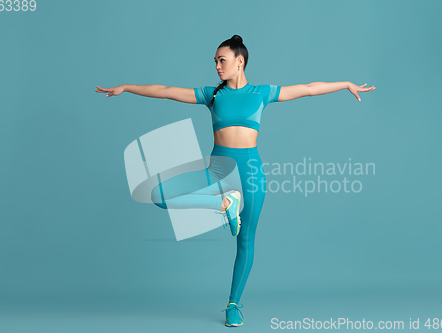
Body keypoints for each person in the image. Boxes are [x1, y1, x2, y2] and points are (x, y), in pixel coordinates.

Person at [95, 34, 375, 328]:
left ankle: (233, 305)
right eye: (215, 61)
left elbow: (307, 89)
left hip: (251, 174)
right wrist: (126, 88)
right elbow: (165, 91)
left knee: (246, 240)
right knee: (159, 194)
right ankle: (222, 203)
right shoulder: (212, 95)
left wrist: (345, 84)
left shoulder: (261, 93)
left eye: (222, 60)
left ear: (239, 62)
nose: (217, 66)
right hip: (217, 170)